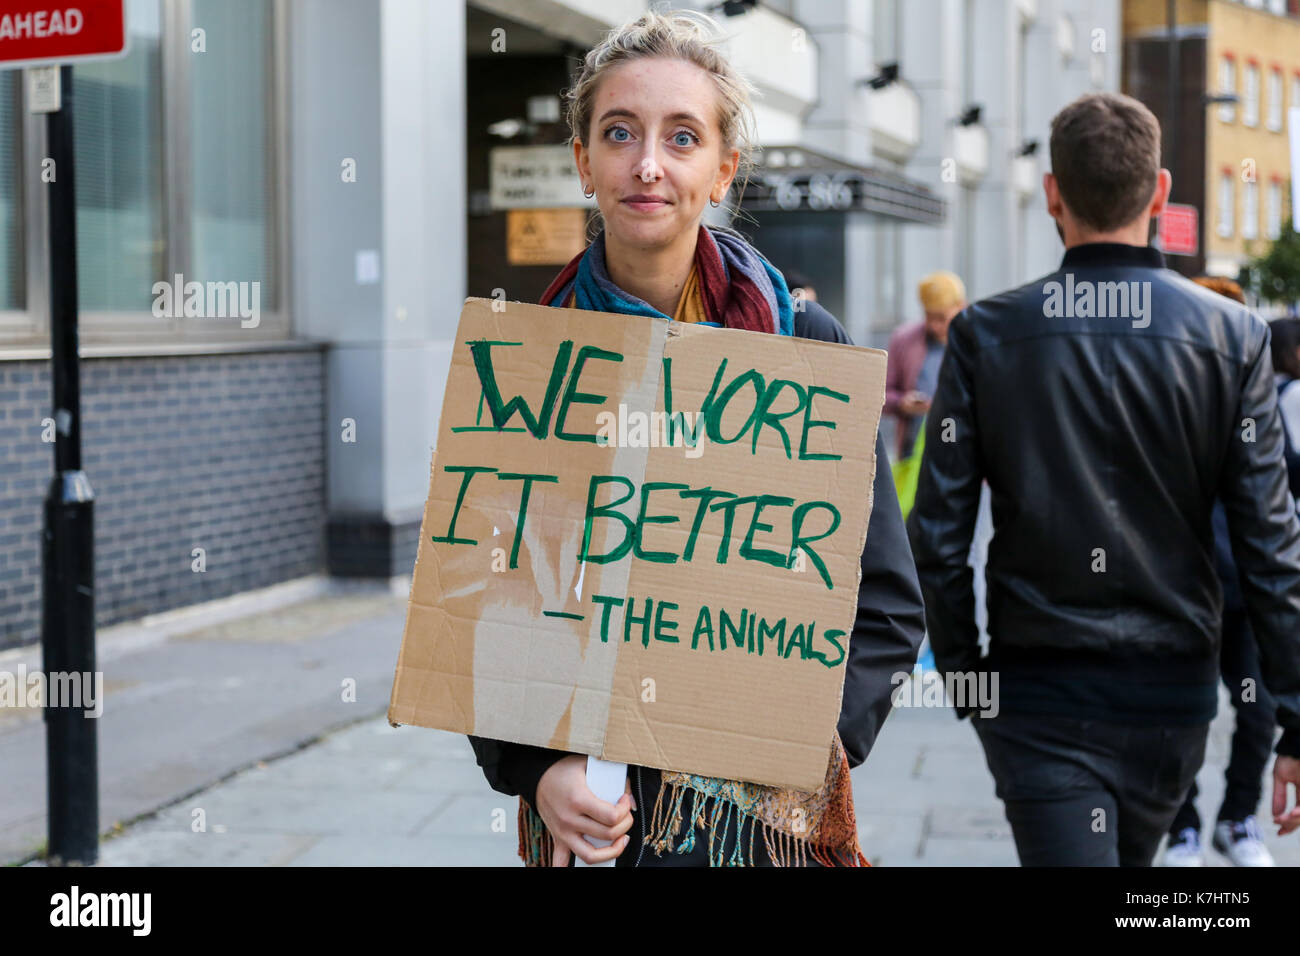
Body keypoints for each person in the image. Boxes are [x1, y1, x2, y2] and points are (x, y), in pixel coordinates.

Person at [467, 9, 925, 868]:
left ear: (722, 170)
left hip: (758, 829)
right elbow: (488, 597)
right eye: (619, 133)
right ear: (583, 163)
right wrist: (536, 771)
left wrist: (803, 744)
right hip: (595, 825)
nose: (648, 164)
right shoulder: (530, 364)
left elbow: (889, 601)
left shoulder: (802, 349)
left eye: (682, 138)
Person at [906, 91, 1300, 866]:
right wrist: (1292, 712)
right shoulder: (1233, 336)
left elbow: (937, 535)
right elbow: (1271, 543)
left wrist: (964, 676)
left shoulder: (986, 334)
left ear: (1052, 192)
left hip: (1036, 688)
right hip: (1172, 697)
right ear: (1158, 191)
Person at [1162, 279, 1281, 867]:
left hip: (1248, 594)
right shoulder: (1167, 405)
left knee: (1258, 712)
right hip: (1180, 591)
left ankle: (1237, 818)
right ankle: (1181, 825)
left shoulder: (1261, 408)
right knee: (1183, 714)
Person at [884, 271, 967, 459]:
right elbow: (881, 393)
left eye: (941, 318)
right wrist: (902, 403)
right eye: (929, 316)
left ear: (961, 307)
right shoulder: (904, 339)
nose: (934, 325)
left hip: (964, 454)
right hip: (914, 456)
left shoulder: (978, 342)